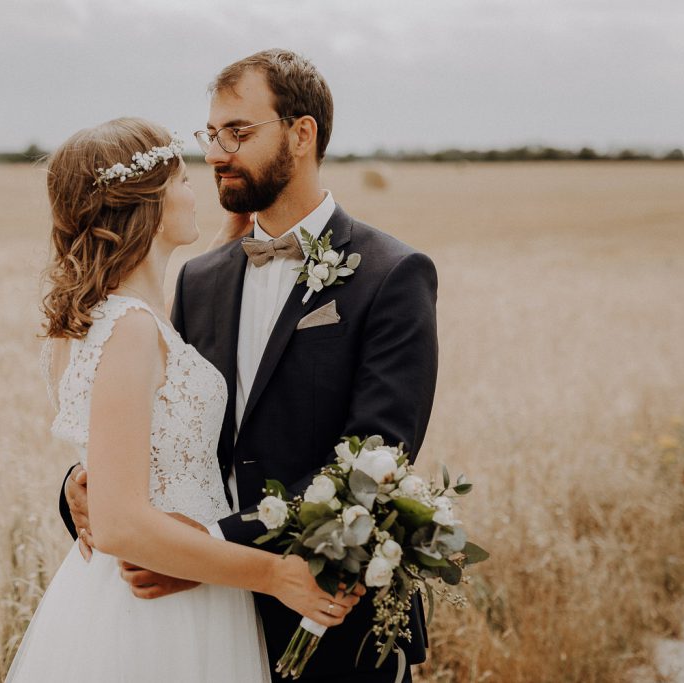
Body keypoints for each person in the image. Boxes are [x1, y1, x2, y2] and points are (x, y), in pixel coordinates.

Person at [62, 50, 439, 682]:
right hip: (198, 623)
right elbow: (162, 416)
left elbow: (372, 466)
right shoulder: (202, 277)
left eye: (237, 133)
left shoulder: (392, 275)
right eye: (212, 135)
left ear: (301, 133)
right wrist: (83, 479)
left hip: (328, 617)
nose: (215, 153)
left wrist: (208, 547)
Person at [5, 117, 362, 682]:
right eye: (181, 180)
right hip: (161, 603)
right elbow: (120, 523)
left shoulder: (110, 319)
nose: (196, 187)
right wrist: (273, 575)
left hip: (154, 587)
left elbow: (148, 423)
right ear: (146, 203)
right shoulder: (129, 329)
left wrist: (227, 245)